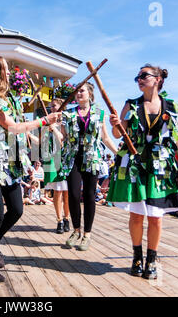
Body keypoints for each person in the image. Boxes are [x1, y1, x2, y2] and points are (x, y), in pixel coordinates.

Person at [0, 56, 61, 282]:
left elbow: (17, 132)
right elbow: (12, 128)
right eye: (6, 70)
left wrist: (31, 149)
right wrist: (43, 121)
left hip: (10, 163)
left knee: (17, 210)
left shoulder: (10, 99)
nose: (10, 74)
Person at [108, 64, 178, 279]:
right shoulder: (131, 104)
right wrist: (116, 123)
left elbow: (175, 137)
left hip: (160, 169)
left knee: (155, 217)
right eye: (137, 77)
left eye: (144, 75)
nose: (139, 79)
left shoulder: (170, 106)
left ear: (158, 79)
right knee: (137, 216)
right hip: (135, 166)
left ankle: (151, 260)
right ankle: (136, 256)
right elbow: (118, 135)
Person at [60, 82, 118, 251]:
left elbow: (105, 138)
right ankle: (76, 230)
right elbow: (62, 137)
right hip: (73, 158)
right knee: (73, 194)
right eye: (77, 91)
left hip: (92, 158)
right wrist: (53, 128)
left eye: (82, 90)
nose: (78, 93)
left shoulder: (99, 113)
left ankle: (87, 234)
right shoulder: (68, 113)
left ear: (90, 94)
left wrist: (118, 153)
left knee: (90, 195)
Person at [43, 98, 70, 234]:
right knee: (58, 191)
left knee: (67, 193)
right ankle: (59, 220)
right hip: (53, 159)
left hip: (65, 159)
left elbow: (64, 141)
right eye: (50, 107)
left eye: (54, 106)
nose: (52, 108)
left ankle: (67, 218)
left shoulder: (66, 122)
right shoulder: (48, 123)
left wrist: (55, 129)